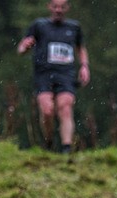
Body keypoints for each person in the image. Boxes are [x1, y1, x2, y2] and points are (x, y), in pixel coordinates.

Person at [17, 0, 90, 154]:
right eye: (55, 6)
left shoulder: (74, 27)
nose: (58, 10)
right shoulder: (39, 25)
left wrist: (84, 66)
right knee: (47, 110)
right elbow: (22, 48)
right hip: (43, 74)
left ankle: (66, 147)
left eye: (62, 7)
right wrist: (25, 47)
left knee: (65, 107)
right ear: (49, 7)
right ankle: (49, 141)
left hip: (66, 75)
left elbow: (81, 48)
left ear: (67, 8)